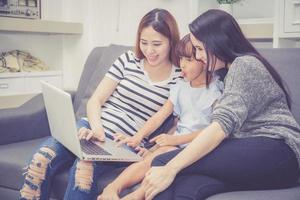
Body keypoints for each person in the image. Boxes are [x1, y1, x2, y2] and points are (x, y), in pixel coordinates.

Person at [19, 8, 181, 200]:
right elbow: (96, 100)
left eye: (157, 44)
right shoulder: (128, 60)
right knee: (41, 159)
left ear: (171, 42)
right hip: (92, 128)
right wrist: (97, 130)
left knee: (83, 170)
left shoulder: (179, 77)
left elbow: (177, 123)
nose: (149, 50)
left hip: (125, 142)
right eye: (144, 42)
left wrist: (153, 150)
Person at [142, 9, 300, 200]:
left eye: (200, 49)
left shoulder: (244, 64)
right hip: (255, 159)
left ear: (218, 42)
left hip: (279, 152)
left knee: (163, 162)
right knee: (186, 187)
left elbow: (220, 127)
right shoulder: (223, 74)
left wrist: (171, 167)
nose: (198, 56)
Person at [98, 34, 223, 200]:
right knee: (147, 158)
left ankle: (137, 196)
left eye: (188, 60)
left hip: (198, 148)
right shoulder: (180, 87)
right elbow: (159, 116)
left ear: (205, 60)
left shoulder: (215, 90)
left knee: (160, 156)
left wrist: (174, 141)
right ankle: (112, 188)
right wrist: (138, 138)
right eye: (180, 59)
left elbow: (215, 130)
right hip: (176, 143)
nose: (182, 65)